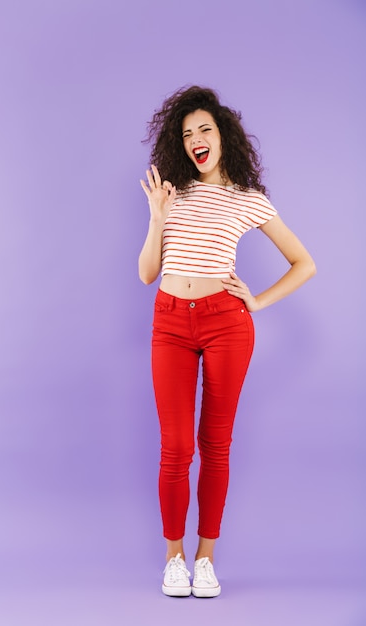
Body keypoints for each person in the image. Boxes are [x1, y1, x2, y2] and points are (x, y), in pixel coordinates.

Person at [138, 86, 316, 598]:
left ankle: (205, 559)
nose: (196, 139)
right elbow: (148, 273)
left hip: (225, 324)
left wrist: (256, 302)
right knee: (175, 448)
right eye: (187, 132)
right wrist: (156, 215)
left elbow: (304, 262)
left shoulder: (247, 199)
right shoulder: (170, 193)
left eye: (205, 130)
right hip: (170, 322)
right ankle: (174, 559)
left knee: (215, 445)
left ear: (223, 136)